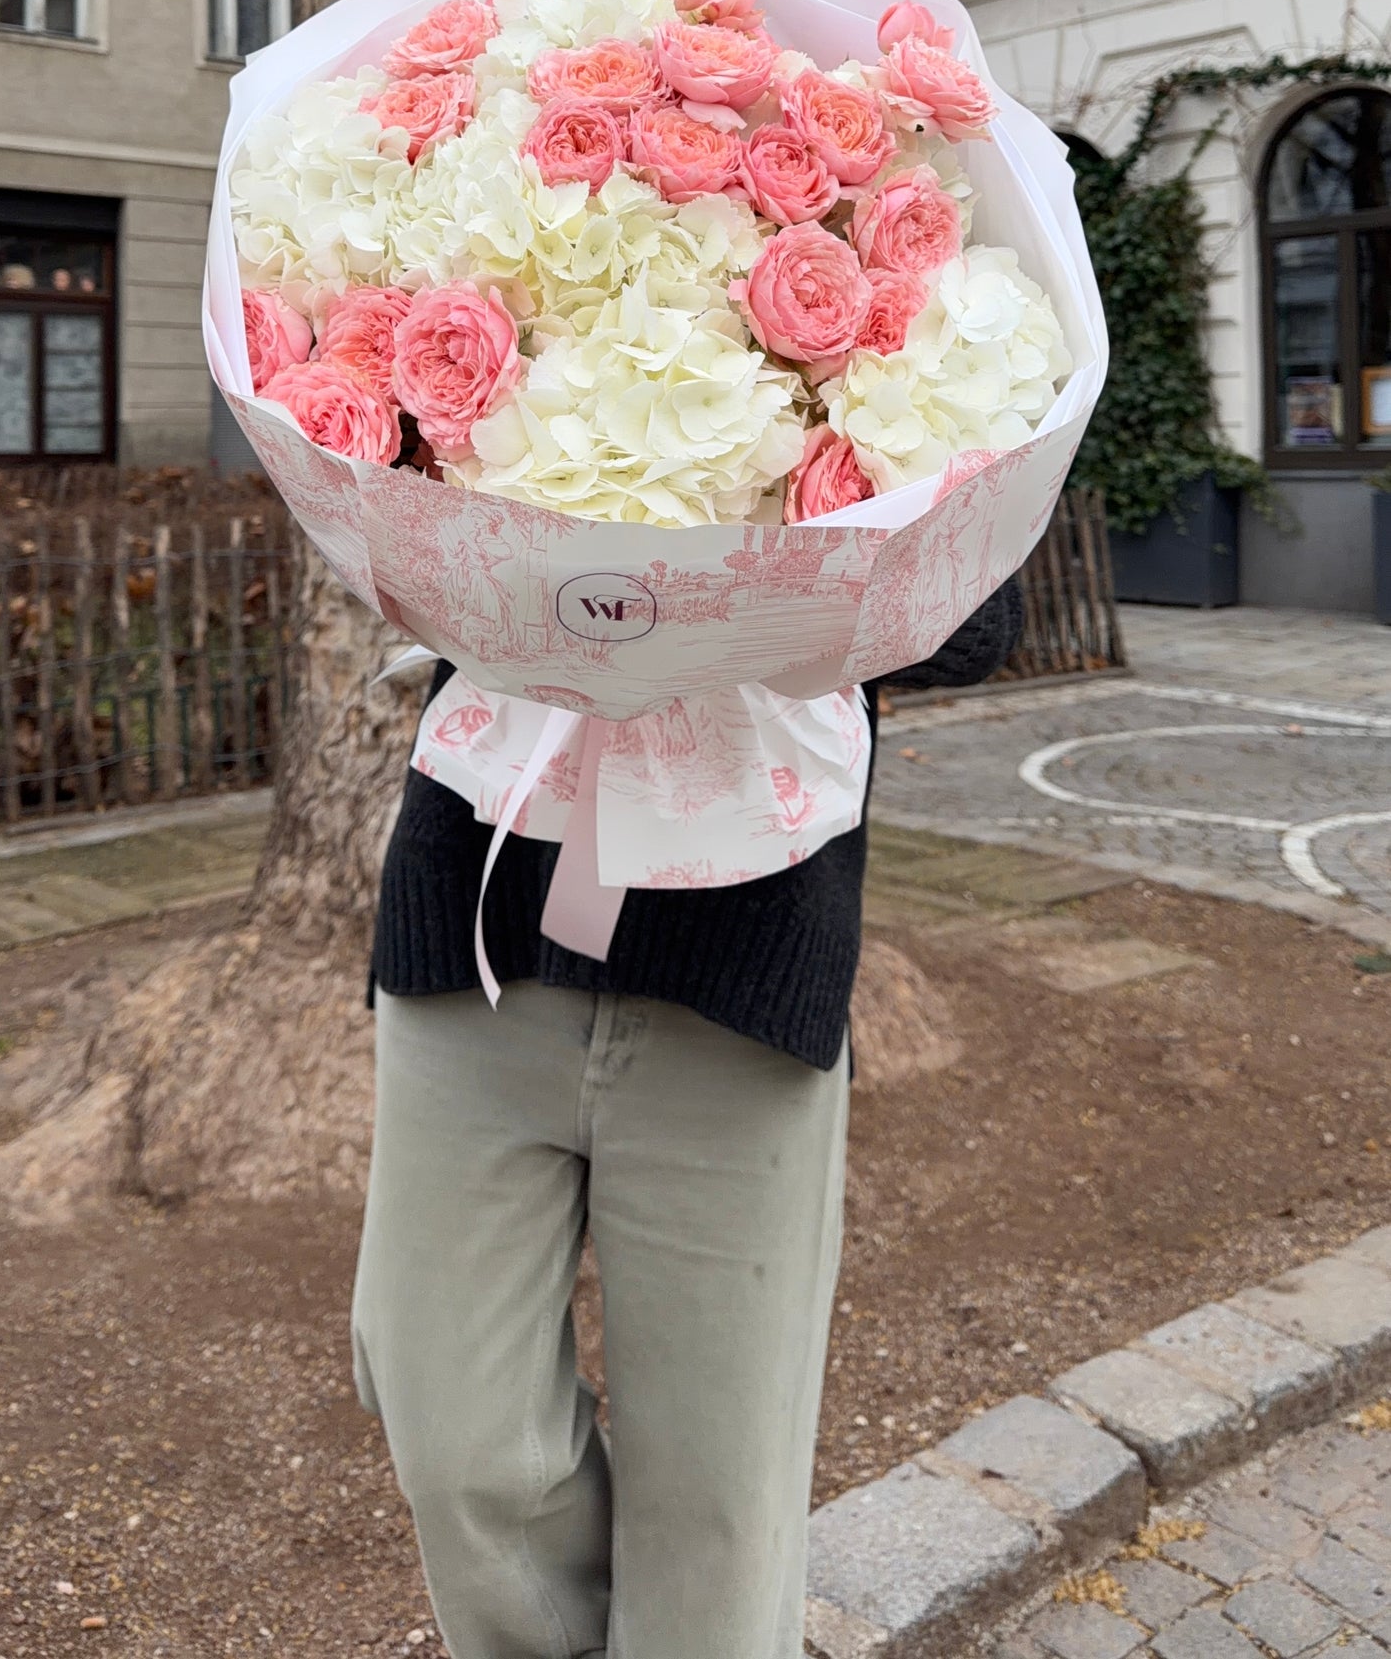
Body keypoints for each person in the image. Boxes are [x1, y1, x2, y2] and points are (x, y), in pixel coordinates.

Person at [350, 581, 1023, 1659]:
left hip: (742, 979)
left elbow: (979, 621)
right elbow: (381, 523)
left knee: (718, 1502)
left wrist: (732, 572)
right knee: (456, 1440)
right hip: (475, 936)